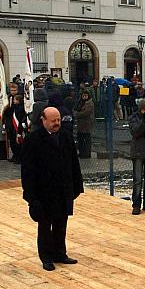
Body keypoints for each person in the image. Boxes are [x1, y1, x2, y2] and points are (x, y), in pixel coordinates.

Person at [21, 106, 84, 271]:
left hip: (63, 189)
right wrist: (31, 197)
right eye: (53, 120)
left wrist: (77, 186)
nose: (57, 123)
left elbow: (73, 163)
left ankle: (60, 254)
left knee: (61, 223)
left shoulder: (66, 136)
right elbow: (27, 171)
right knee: (44, 226)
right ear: (43, 120)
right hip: (43, 192)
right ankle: (46, 257)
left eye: (58, 120)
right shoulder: (33, 140)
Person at [73, 89, 94, 158]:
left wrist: (77, 114)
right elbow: (75, 109)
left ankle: (87, 153)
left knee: (86, 139)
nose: (84, 97)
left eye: (86, 95)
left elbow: (86, 113)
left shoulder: (90, 103)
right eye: (83, 95)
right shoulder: (80, 102)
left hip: (86, 124)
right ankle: (82, 152)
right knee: (80, 139)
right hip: (81, 124)